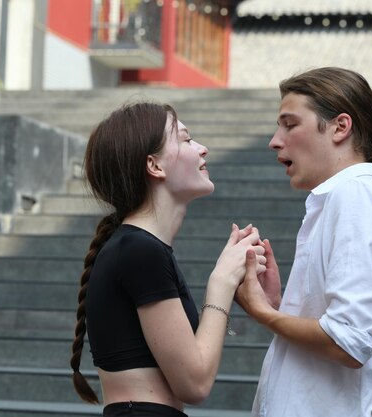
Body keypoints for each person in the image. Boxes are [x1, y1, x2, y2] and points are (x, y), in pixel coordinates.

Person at [235, 67, 372, 417]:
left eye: (290, 124)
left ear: (340, 127)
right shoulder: (346, 198)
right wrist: (278, 308)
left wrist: (262, 313)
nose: (275, 140)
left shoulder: (356, 196)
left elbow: (350, 341)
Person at [69, 102, 266, 417]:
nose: (202, 149)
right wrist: (222, 281)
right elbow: (194, 383)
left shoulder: (138, 247)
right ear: (154, 166)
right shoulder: (139, 250)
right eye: (186, 140)